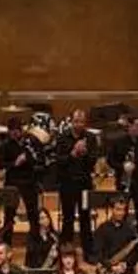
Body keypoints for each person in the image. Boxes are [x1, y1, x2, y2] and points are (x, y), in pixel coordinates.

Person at [55, 109, 98, 257]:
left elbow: (93, 161)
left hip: (84, 184)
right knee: (68, 219)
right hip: (67, 184)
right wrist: (73, 154)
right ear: (71, 122)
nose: (79, 124)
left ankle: (88, 253)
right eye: (76, 121)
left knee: (85, 218)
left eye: (82, 122)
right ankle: (65, 252)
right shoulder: (62, 138)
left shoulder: (90, 138)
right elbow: (58, 161)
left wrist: (84, 153)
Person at [0, 120, 42, 242]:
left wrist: (29, 159)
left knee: (33, 214)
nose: (15, 133)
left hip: (29, 182)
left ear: (21, 131)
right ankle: (7, 242)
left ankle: (35, 243)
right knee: (9, 215)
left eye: (17, 130)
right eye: (12, 131)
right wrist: (15, 163)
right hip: (12, 182)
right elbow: (0, 164)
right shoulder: (5, 145)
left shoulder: (30, 143)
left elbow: (40, 161)